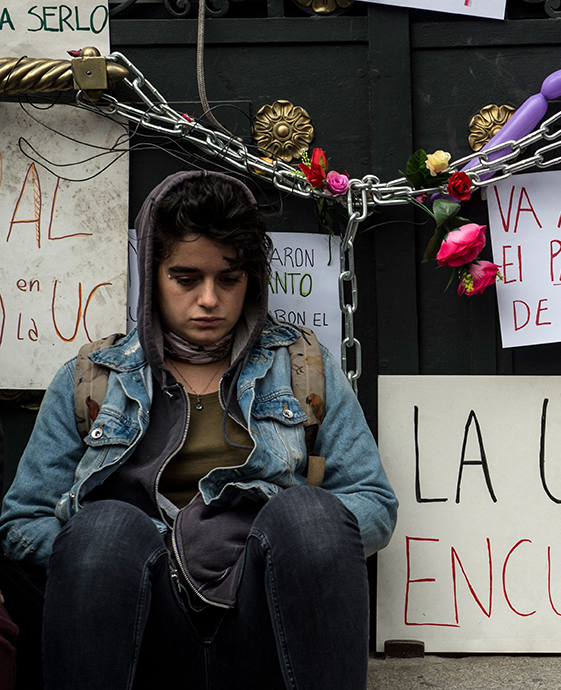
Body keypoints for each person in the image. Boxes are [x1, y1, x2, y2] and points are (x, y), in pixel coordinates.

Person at [0, 171, 398, 689]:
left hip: (262, 616)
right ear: (152, 276)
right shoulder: (93, 378)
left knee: (310, 514)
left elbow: (373, 501)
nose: (209, 299)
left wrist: (266, 540)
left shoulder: (304, 367)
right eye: (186, 279)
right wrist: (128, 559)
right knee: (103, 528)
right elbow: (22, 520)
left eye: (228, 280)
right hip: (142, 624)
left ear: (250, 280)